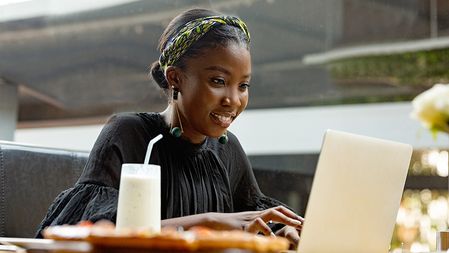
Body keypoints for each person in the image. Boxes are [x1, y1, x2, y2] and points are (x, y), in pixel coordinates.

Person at [36, 8, 304, 246]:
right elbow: (93, 233)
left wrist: (281, 231)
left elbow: (253, 219)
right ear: (175, 78)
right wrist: (207, 223)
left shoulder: (228, 149)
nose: (233, 100)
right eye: (218, 81)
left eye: (243, 86)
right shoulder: (129, 134)